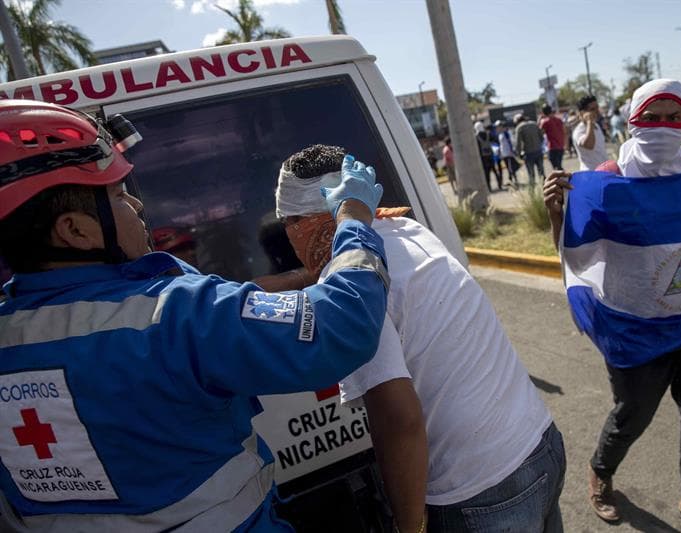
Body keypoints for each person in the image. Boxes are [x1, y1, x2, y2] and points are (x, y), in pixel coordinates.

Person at [0, 100, 389, 532]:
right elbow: (342, 326)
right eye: (116, 194)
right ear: (75, 230)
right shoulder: (173, 316)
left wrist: (301, 277)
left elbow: (232, 304)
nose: (137, 205)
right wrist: (354, 218)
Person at [275, 144, 566, 533]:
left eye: (288, 223)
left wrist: (409, 527)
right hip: (538, 443)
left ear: (309, 223)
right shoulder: (406, 229)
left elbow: (397, 420)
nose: (287, 236)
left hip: (480, 495)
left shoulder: (350, 292)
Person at [545, 80, 681, 532]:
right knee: (630, 418)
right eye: (651, 117)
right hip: (634, 330)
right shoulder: (611, 179)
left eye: (673, 117)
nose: (662, 127)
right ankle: (600, 471)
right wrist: (558, 214)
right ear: (634, 120)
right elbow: (575, 256)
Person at [572, 95, 607, 171]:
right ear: (582, 113)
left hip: (603, 171)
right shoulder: (579, 131)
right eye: (592, 109)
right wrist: (589, 121)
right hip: (590, 173)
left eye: (597, 107)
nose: (597, 111)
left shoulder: (596, 125)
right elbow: (589, 145)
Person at [514, 113, 545, 185]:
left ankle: (533, 192)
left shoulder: (519, 127)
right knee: (541, 172)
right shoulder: (534, 124)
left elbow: (518, 143)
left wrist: (518, 155)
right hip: (538, 151)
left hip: (528, 153)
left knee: (531, 174)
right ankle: (545, 188)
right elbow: (542, 137)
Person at [538, 104, 566, 171]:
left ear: (543, 112)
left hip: (552, 146)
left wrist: (539, 119)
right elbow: (564, 131)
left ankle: (563, 178)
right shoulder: (559, 120)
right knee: (559, 165)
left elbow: (540, 132)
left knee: (556, 167)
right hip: (560, 145)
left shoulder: (545, 121)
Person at [475, 121, 501, 191]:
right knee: (495, 171)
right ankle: (500, 184)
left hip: (483, 157)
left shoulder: (476, 137)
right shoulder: (488, 134)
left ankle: (489, 187)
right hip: (490, 155)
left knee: (487, 173)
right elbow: (495, 140)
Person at [495, 120, 520, 187]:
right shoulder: (500, 134)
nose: (497, 128)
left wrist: (512, 151)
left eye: (498, 126)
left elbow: (510, 142)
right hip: (504, 154)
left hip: (508, 153)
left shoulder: (506, 133)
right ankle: (511, 180)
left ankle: (513, 180)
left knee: (511, 167)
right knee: (509, 168)